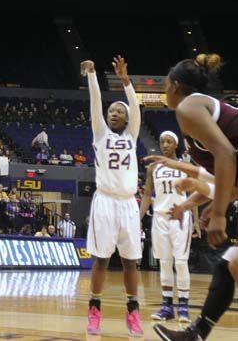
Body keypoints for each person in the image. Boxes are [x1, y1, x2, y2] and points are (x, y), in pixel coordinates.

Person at [151, 54, 238, 341]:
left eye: (165, 86)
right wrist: (203, 204)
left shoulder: (189, 107)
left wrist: (220, 213)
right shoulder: (200, 111)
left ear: (175, 86)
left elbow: (227, 155)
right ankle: (196, 335)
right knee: (230, 266)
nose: (165, 92)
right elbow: (229, 178)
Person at [81, 56, 143, 336]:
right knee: (102, 260)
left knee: (131, 261)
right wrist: (92, 76)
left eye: (119, 111)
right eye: (111, 111)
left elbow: (137, 109)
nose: (113, 113)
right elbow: (95, 103)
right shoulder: (100, 134)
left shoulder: (131, 135)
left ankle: (133, 313)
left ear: (128, 118)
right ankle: (94, 310)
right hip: (105, 202)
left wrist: (126, 81)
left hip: (129, 204)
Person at [140, 131, 198, 323]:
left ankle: (183, 307)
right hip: (160, 218)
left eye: (168, 142)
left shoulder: (185, 166)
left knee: (180, 262)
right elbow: (147, 195)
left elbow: (193, 196)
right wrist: (137, 218)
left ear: (175, 145)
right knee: (164, 262)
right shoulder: (153, 168)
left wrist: (196, 221)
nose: (164, 145)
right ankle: (167, 307)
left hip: (180, 217)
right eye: (162, 141)